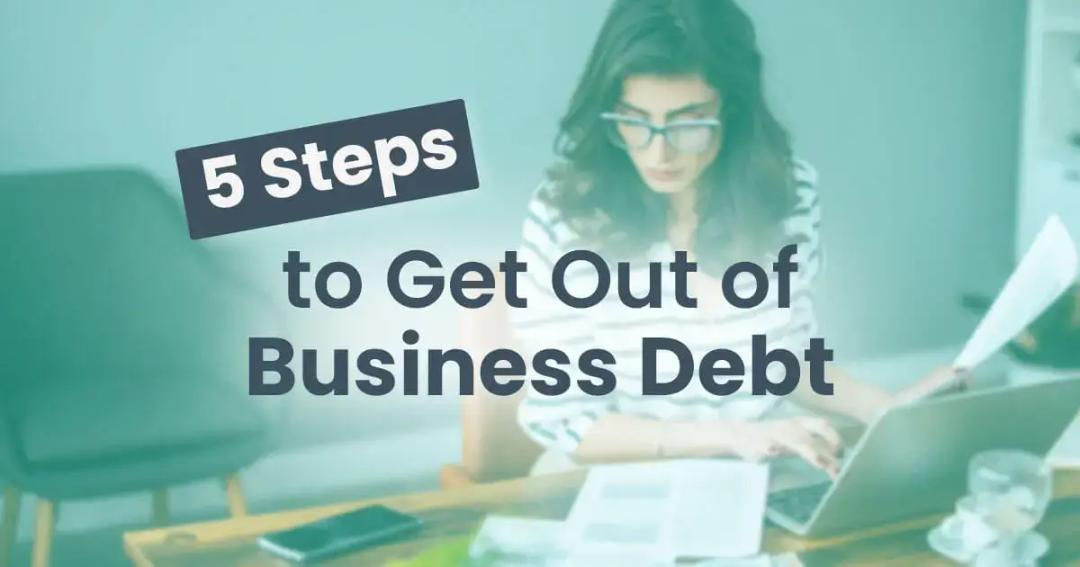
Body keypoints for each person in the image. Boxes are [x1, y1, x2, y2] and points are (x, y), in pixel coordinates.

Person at [511, 0, 964, 476]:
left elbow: (782, 361)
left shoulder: (788, 196)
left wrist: (885, 408)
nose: (658, 152)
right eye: (634, 120)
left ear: (733, 108)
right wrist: (730, 437)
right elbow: (562, 419)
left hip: (760, 459)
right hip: (622, 470)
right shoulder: (565, 217)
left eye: (689, 122)